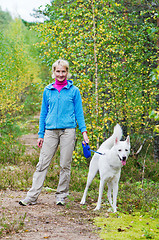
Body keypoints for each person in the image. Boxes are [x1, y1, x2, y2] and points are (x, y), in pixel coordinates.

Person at [19, 59, 89, 206]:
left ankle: (61, 196)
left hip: (68, 131)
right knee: (42, 163)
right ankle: (31, 197)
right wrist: (40, 134)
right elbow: (43, 113)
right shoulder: (47, 90)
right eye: (58, 71)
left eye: (63, 71)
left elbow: (79, 113)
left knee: (65, 164)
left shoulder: (74, 91)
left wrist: (84, 132)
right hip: (50, 131)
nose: (61, 74)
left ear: (67, 72)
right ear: (54, 72)